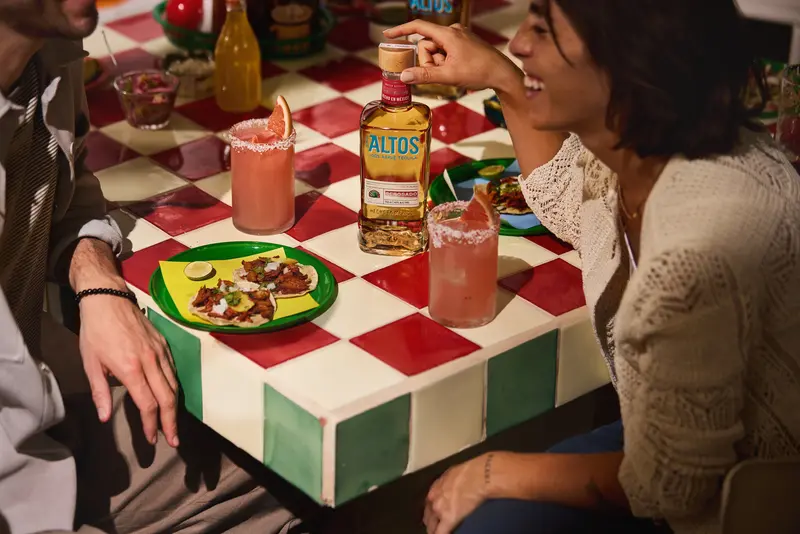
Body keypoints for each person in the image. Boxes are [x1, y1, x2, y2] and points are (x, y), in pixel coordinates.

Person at [384, 0, 800, 533]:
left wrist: (492, 472)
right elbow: (566, 201)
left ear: (629, 60)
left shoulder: (698, 247)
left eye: (544, 29)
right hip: (680, 445)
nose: (518, 43)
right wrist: (503, 77)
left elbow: (675, 484)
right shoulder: (640, 155)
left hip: (751, 497)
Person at [0, 0, 313, 532]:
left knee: (297, 464)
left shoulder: (47, 49)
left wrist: (97, 281)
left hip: (40, 430)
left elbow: (64, 195)